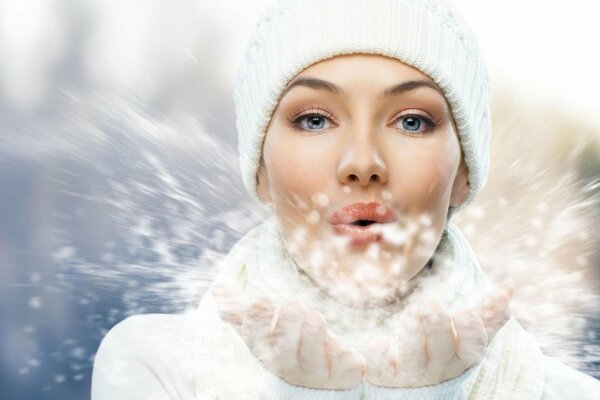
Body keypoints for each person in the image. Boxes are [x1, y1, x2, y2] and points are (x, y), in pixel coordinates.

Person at [90, 0, 600, 398]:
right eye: (314, 119)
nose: (362, 163)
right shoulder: (152, 366)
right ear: (260, 171)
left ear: (465, 172)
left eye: (411, 121)